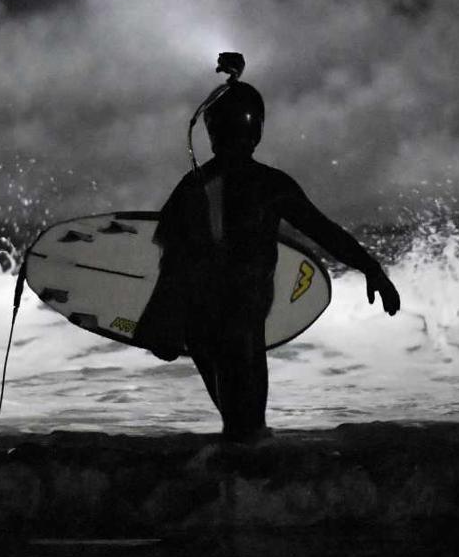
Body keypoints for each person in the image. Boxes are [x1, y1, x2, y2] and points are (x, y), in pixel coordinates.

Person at [134, 53, 400, 444]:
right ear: (256, 128)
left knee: (237, 428)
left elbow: (171, 259)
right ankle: (235, 478)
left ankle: (221, 476)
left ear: (211, 130)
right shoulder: (269, 185)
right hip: (240, 322)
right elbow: (325, 232)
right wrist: (371, 268)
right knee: (249, 434)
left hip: (199, 323)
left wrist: (162, 324)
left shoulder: (191, 187)